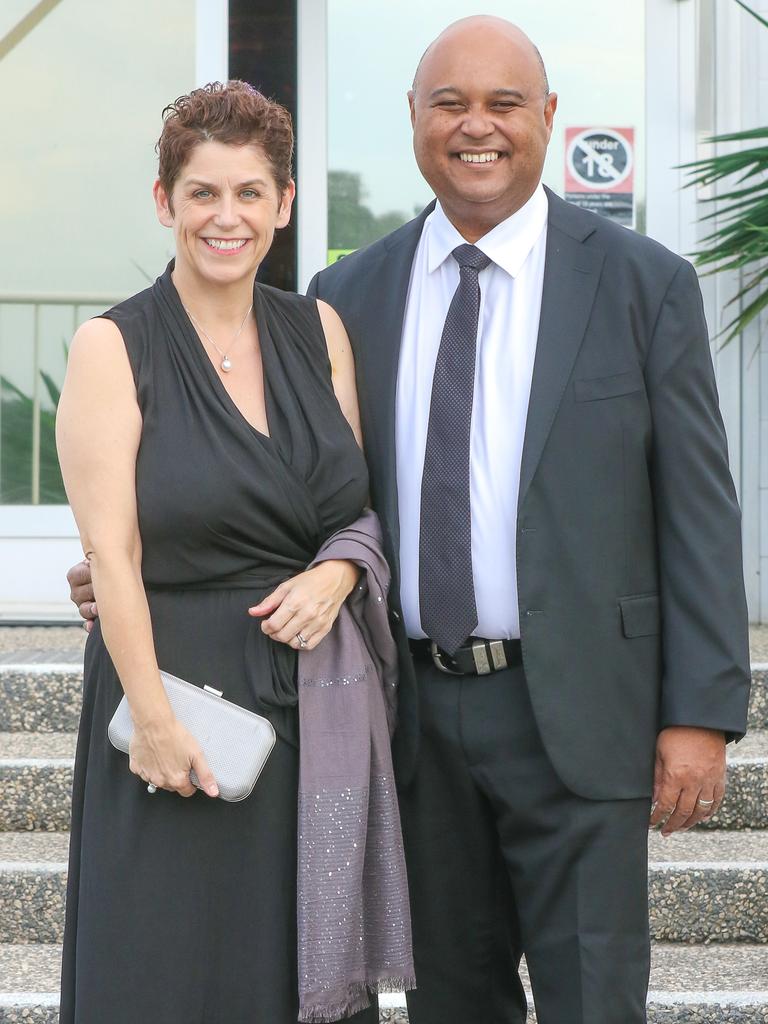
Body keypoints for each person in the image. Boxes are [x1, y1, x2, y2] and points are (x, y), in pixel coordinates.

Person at [68, 16, 752, 1024]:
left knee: (595, 998)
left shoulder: (643, 283)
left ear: (549, 118)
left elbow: (700, 507)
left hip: (585, 713)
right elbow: (327, 493)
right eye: (450, 104)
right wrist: (136, 566)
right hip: (412, 715)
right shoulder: (350, 296)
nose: (477, 127)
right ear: (415, 122)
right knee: (447, 1001)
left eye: (505, 104)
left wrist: (701, 711)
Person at [56, 81, 413, 1024]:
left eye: (250, 193)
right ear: (164, 201)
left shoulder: (319, 331)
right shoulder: (111, 347)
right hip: (173, 695)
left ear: (285, 204)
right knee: (165, 964)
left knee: (288, 973)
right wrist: (154, 714)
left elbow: (359, 510)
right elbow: (114, 554)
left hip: (310, 705)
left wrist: (338, 576)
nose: (228, 216)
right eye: (203, 193)